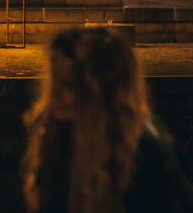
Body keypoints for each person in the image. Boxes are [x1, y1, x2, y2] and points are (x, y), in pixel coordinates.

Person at [21, 27, 193, 213]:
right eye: (53, 80)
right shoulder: (61, 131)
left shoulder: (147, 151)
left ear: (103, 90)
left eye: (69, 85)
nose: (54, 93)